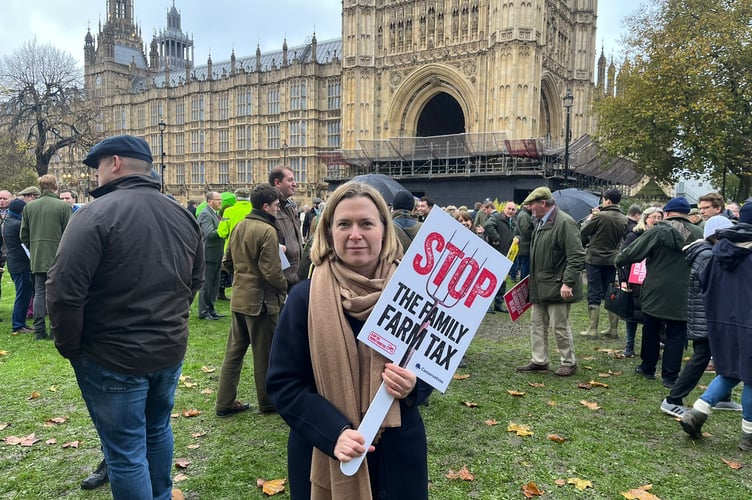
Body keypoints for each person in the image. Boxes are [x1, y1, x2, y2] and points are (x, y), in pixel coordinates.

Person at [47, 134, 204, 500]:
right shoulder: (181, 214)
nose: (97, 176)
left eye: (98, 166)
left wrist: (71, 347)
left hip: (111, 357)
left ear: (114, 163)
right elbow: (194, 281)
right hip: (167, 351)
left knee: (125, 451)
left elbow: (63, 291)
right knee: (157, 431)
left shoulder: (94, 215)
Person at [266, 182, 432, 499]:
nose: (355, 234)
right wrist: (335, 433)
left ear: (384, 230)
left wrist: (414, 385)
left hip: (398, 456)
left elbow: (430, 367)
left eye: (366, 224)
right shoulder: (304, 298)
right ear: (330, 232)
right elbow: (283, 385)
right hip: (325, 450)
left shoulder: (415, 293)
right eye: (344, 224)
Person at [679, 203, 752, 450]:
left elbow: (704, 281)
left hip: (721, 321)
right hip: (748, 322)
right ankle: (749, 435)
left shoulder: (718, 250)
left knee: (730, 371)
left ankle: (697, 413)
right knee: (750, 377)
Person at [615, 196, 703, 387]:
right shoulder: (699, 233)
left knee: (651, 329)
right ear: (687, 214)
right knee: (677, 333)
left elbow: (633, 252)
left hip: (656, 288)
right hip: (684, 290)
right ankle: (670, 377)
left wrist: (618, 261)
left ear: (668, 213)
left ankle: (647, 368)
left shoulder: (658, 230)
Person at [216, 184, 287, 417]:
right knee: (264, 354)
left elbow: (227, 261)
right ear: (266, 206)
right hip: (262, 302)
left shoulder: (239, 226)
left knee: (234, 353)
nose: (278, 209)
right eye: (276, 206)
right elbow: (272, 272)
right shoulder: (267, 231)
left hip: (240, 298)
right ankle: (268, 401)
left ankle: (224, 401)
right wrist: (285, 287)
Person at [660, 215, 739, 418]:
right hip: (707, 316)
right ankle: (673, 399)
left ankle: (723, 397)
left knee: (723, 356)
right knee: (700, 358)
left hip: (708, 314)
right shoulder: (707, 256)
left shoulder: (708, 253)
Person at [516, 187, 585, 377]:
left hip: (557, 285)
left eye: (531, 204)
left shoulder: (564, 222)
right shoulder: (540, 221)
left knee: (559, 326)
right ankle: (539, 361)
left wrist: (568, 283)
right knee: (536, 324)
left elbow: (577, 256)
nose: (529, 208)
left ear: (543, 203)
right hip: (541, 284)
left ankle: (568, 362)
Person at [20, 175, 70, 340]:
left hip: (38, 256)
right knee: (56, 294)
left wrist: (33, 248)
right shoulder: (63, 207)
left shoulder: (29, 207)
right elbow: (69, 234)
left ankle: (39, 330)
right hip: (58, 256)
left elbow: (24, 234)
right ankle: (56, 330)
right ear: (55, 186)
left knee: (39, 292)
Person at [579, 188, 628, 338]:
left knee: (594, 292)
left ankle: (593, 329)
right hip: (612, 258)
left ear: (607, 200)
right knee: (610, 291)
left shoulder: (599, 216)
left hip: (595, 258)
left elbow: (583, 231)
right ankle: (613, 329)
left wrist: (591, 218)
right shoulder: (623, 218)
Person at [620, 207, 662, 357]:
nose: (656, 220)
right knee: (632, 315)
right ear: (645, 218)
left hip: (653, 281)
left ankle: (652, 346)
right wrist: (623, 279)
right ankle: (629, 346)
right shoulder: (634, 236)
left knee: (651, 316)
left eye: (659, 217)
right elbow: (625, 258)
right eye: (653, 217)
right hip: (635, 280)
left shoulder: (662, 236)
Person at [269, 166, 304, 289]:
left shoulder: (290, 207)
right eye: (290, 180)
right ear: (277, 183)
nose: (294, 184)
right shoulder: (269, 208)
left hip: (295, 274)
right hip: (281, 277)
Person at [217, 187, 253, 301]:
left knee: (236, 278)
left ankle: (239, 301)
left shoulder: (229, 211)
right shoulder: (254, 210)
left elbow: (222, 233)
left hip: (233, 250)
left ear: (236, 198)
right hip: (252, 249)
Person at [3, 199, 33, 334]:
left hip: (14, 263)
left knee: (23, 293)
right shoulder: (18, 224)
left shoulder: (8, 221)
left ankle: (21, 323)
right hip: (20, 264)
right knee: (23, 294)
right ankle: (18, 325)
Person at [483, 201, 517, 313]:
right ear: (504, 209)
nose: (511, 211)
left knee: (502, 281)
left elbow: (518, 233)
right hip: (495, 254)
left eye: (513, 209)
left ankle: (498, 304)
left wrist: (518, 238)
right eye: (509, 209)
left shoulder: (514, 221)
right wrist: (496, 238)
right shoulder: (497, 217)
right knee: (490, 281)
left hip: (507, 255)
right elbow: (487, 225)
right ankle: (486, 305)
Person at [197, 191, 226, 320]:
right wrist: (223, 228)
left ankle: (211, 309)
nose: (220, 202)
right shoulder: (205, 214)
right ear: (210, 201)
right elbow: (209, 234)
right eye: (217, 199)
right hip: (208, 255)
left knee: (215, 284)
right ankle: (203, 311)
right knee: (207, 285)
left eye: (220, 199)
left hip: (217, 254)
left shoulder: (215, 214)